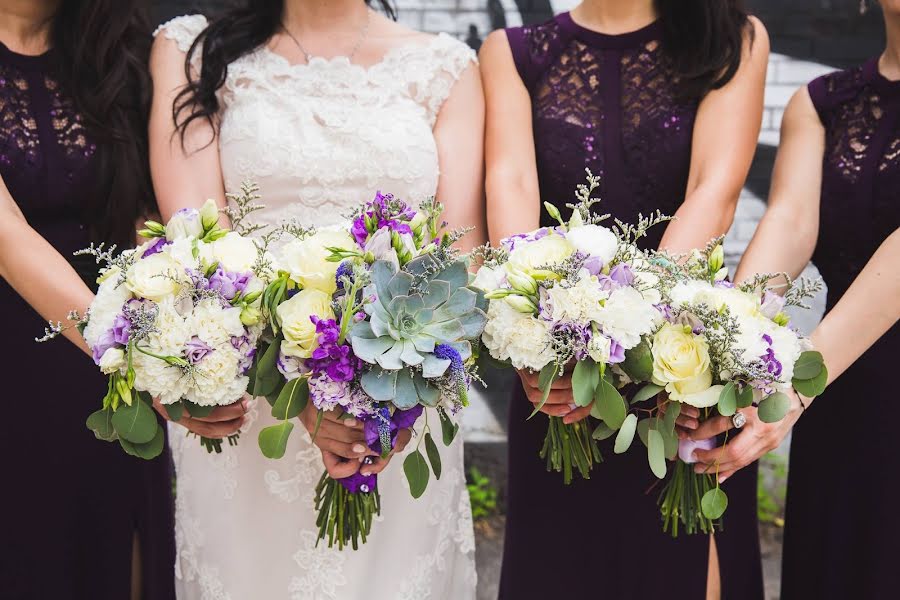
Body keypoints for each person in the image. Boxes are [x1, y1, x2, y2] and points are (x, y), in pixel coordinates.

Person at [149, 1, 485, 597]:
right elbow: (198, 242)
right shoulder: (193, 51)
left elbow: (459, 256)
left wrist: (393, 403)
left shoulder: (446, 68)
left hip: (402, 402)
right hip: (253, 407)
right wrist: (300, 395)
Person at [480, 1, 769, 597]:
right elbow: (511, 187)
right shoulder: (512, 52)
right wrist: (542, 336)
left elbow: (713, 193)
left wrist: (622, 342)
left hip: (680, 372)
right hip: (557, 375)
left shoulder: (729, 38)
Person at [683, 1, 900, 597]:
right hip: (848, 402)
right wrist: (724, 342)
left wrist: (798, 382)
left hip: (822, 372)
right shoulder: (822, 104)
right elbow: (790, 219)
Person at [0, 1, 175, 598]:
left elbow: (147, 217)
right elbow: (8, 238)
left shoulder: (123, 50)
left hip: (109, 381)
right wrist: (128, 352)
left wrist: (177, 337)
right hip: (39, 360)